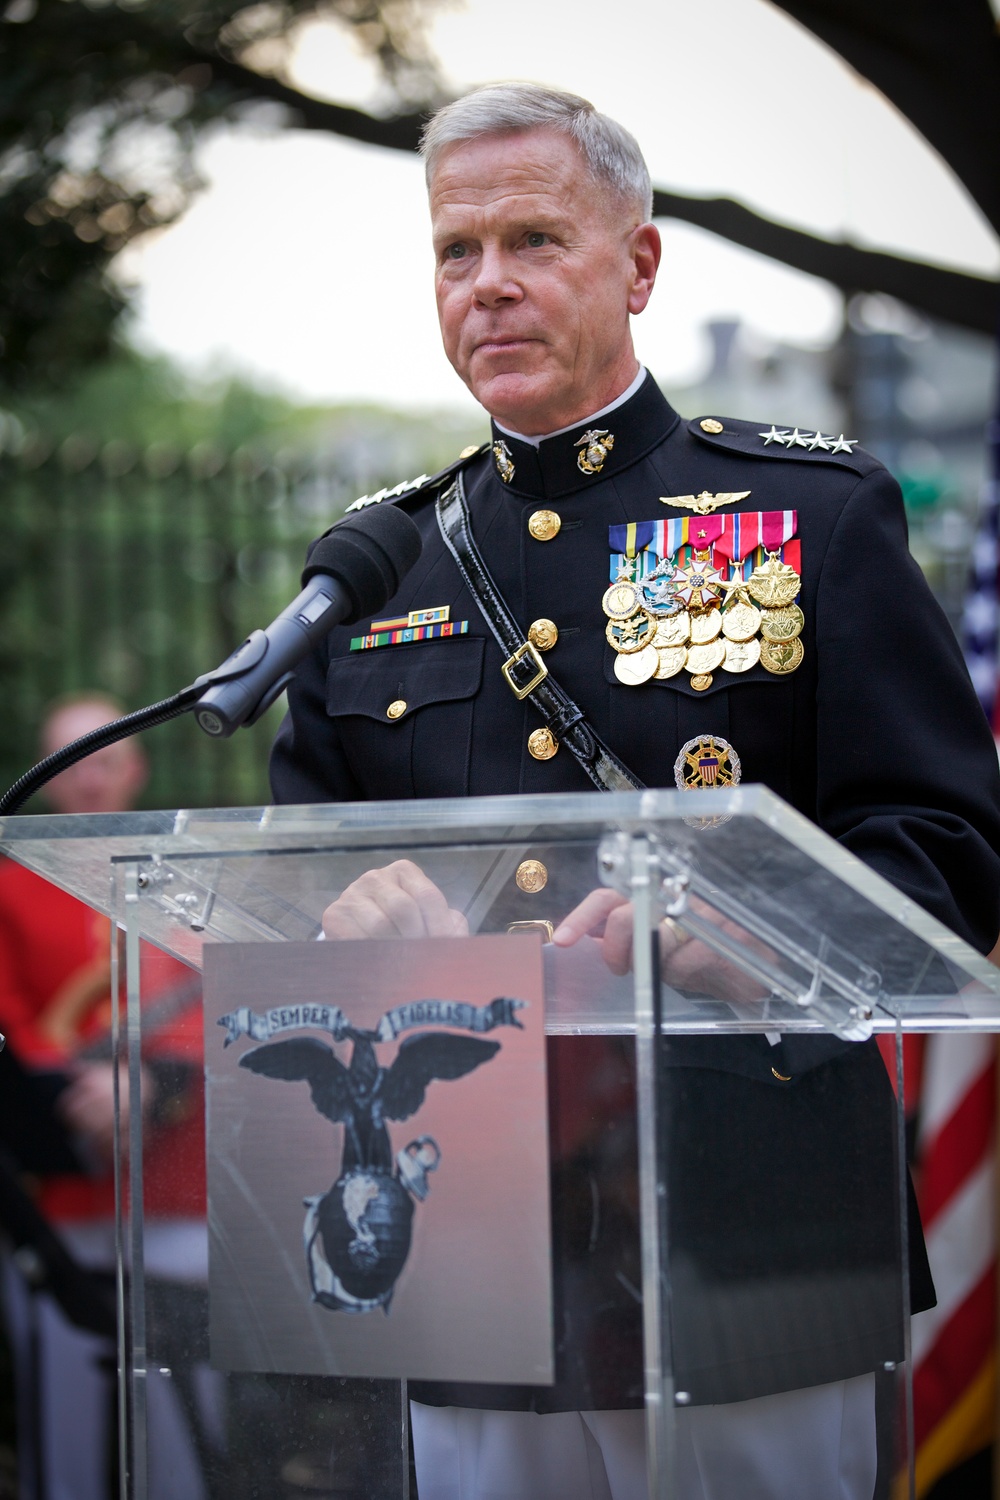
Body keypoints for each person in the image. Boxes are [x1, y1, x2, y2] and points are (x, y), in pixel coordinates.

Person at [269, 84, 1000, 1500]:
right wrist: (341, 920)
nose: (488, 285)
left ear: (639, 266)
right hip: (465, 1227)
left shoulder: (813, 519)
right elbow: (298, 891)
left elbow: (950, 848)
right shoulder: (372, 575)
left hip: (753, 1217)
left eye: (534, 239)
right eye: (454, 252)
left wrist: (766, 942)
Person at [0, 695, 213, 1500]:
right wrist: (77, 1094)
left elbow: (210, 1013)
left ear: (136, 769)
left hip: (178, 1192)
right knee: (65, 1436)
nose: (89, 778)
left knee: (189, 1438)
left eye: (104, 759)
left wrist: (150, 1089)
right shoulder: (8, 889)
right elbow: (9, 1017)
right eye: (72, 762)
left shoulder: (184, 879)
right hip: (60, 1198)